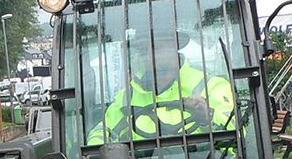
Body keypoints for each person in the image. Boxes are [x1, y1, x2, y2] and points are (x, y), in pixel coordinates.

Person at [86, 31, 235, 147]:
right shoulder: (127, 96)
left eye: (156, 47)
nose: (150, 55)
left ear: (174, 47)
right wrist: (96, 156)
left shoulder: (211, 86)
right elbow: (102, 132)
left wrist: (207, 118)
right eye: (144, 50)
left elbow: (237, 137)